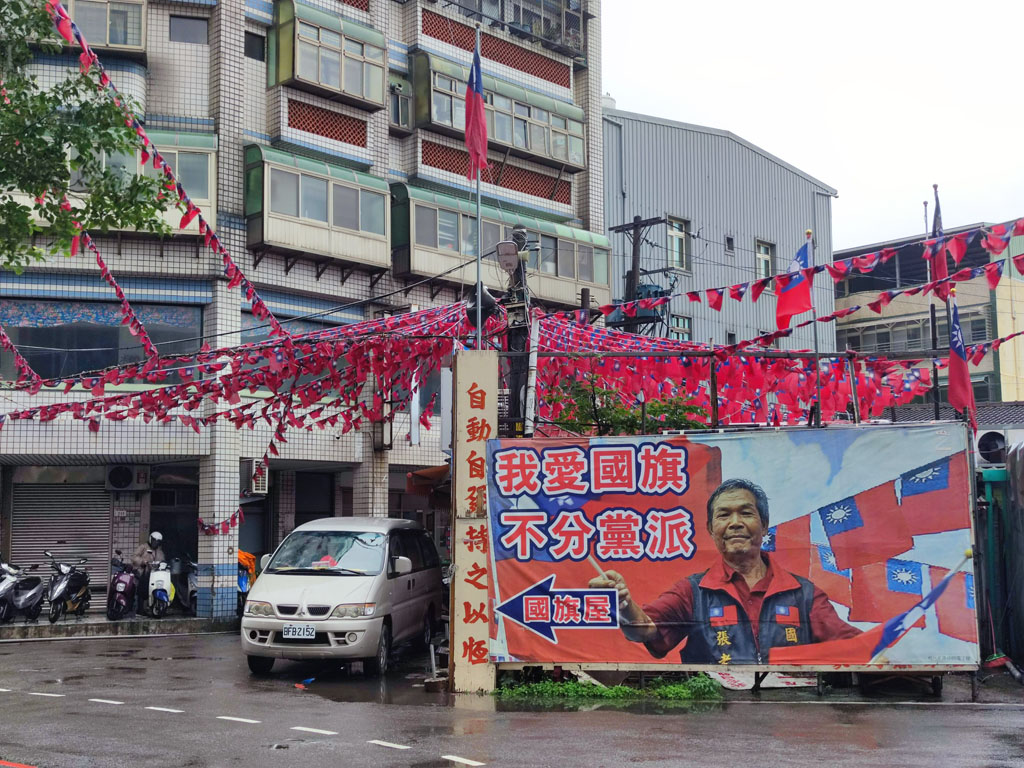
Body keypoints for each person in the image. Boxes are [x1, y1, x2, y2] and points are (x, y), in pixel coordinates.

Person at [589, 479, 860, 664]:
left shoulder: (803, 594)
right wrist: (623, 606)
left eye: (746, 513)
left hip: (788, 723)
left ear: (764, 525)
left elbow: (853, 647)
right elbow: (645, 630)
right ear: (711, 530)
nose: (735, 523)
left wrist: (877, 652)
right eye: (723, 516)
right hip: (711, 724)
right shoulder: (693, 591)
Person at [131, 532, 166, 613]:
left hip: (155, 573)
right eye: (154, 541)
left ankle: (153, 606)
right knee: (142, 590)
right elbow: (134, 557)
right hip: (143, 572)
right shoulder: (143, 547)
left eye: (158, 541)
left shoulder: (159, 550)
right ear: (151, 539)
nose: (155, 543)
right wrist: (143, 561)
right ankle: (140, 609)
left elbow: (162, 559)